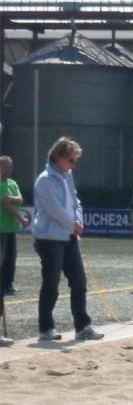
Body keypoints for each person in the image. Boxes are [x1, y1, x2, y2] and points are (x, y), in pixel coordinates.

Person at [32, 137, 103, 341]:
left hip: (69, 236)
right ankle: (46, 328)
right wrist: (73, 224)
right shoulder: (45, 180)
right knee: (51, 283)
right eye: (71, 160)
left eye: (75, 160)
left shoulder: (67, 176)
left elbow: (75, 201)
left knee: (79, 282)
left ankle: (83, 326)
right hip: (50, 238)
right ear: (58, 157)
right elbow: (54, 209)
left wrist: (78, 220)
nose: (73, 164)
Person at [1, 155, 29, 296]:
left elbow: (20, 200)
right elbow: (6, 206)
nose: (8, 169)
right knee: (2, 258)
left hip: (11, 228)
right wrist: (21, 219)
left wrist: (11, 198)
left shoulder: (12, 183)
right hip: (1, 228)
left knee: (11, 258)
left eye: (10, 167)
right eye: (5, 166)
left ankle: (8, 284)